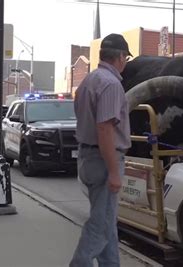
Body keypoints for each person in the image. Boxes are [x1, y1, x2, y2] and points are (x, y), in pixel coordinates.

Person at [70, 33, 132, 267]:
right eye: (125, 57)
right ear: (119, 56)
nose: (125, 62)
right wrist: (114, 172)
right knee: (100, 226)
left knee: (107, 224)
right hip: (104, 159)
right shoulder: (111, 84)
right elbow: (105, 129)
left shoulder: (89, 80)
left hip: (88, 157)